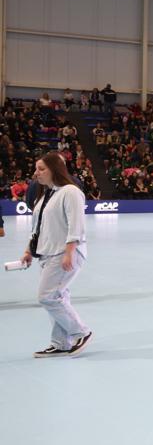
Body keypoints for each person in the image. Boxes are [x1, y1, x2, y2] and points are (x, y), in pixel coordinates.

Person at [21, 152, 91, 358]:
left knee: (47, 297)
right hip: (47, 253)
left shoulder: (70, 191)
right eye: (36, 169)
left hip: (64, 253)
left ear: (55, 170)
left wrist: (69, 252)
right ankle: (60, 343)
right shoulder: (47, 194)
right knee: (58, 296)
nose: (36, 173)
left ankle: (81, 332)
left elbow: (76, 224)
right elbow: (38, 226)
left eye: (41, 169)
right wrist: (28, 250)